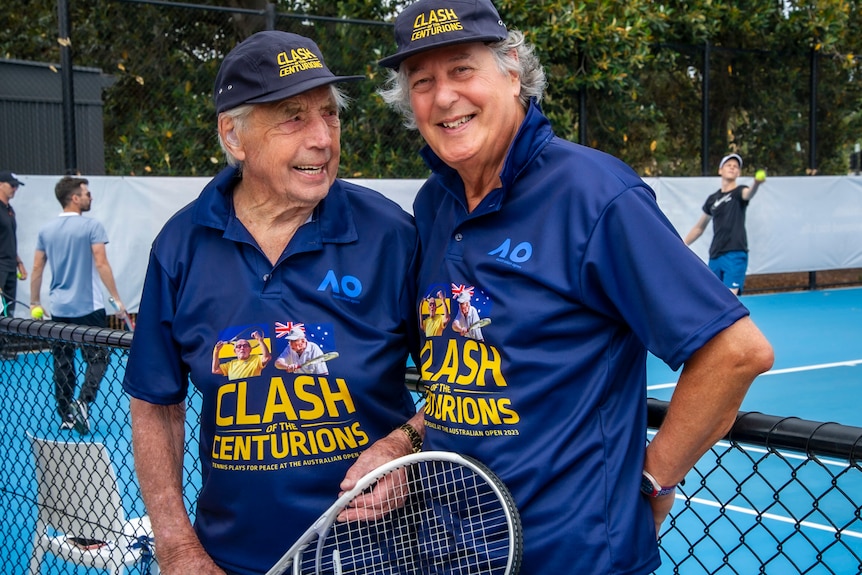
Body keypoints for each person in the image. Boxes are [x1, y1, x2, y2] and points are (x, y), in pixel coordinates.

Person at [338, 2, 775, 574]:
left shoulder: (593, 193)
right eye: (423, 81)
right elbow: (464, 377)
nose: (443, 96)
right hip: (451, 554)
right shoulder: (435, 203)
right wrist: (404, 440)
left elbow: (735, 352)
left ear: (512, 69)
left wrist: (651, 482)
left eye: (463, 70)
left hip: (575, 555)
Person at [122, 30, 420, 574]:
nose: (323, 138)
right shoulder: (181, 244)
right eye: (293, 116)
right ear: (233, 137)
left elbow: (463, 383)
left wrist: (405, 442)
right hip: (232, 560)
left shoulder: (391, 235)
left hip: (378, 558)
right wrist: (177, 547)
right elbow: (156, 404)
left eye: (329, 115)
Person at [30, 176, 130, 435]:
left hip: (59, 309)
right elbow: (101, 263)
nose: (90, 197)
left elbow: (37, 268)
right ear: (74, 198)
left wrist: (34, 302)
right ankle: (83, 402)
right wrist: (117, 299)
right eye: (86, 193)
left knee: (63, 361)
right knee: (99, 357)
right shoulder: (92, 226)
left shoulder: (46, 230)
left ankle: (66, 415)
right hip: (89, 308)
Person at [684, 153, 765, 295]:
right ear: (720, 170)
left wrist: (756, 184)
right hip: (715, 255)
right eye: (729, 165)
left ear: (738, 172)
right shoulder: (712, 199)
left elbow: (749, 193)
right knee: (714, 298)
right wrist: (682, 244)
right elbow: (699, 228)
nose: (732, 168)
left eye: (736, 166)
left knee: (730, 298)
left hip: (735, 253)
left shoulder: (740, 192)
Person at [0, 170, 28, 360]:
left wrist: (19, 263)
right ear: (1, 184)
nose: (15, 189)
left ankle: (4, 347)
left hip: (10, 266)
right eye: (12, 185)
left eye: (17, 185)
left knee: (7, 308)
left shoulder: (9, 209)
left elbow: (9, 240)